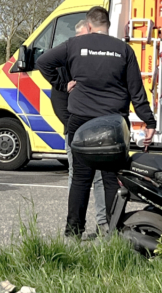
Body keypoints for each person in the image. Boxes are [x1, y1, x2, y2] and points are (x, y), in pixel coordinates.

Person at [37, 6, 156, 238]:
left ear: (89, 25)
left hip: (80, 122)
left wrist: (63, 84)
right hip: (113, 124)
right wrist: (148, 122)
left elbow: (43, 62)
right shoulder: (123, 50)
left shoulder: (73, 45)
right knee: (112, 180)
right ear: (108, 26)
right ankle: (111, 233)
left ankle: (73, 233)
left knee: (81, 180)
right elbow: (136, 91)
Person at [48, 19, 108, 235]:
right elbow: (57, 101)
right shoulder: (66, 65)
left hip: (101, 131)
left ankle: (104, 224)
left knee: (101, 177)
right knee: (79, 178)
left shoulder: (99, 64)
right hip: (77, 132)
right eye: (80, 38)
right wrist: (72, 126)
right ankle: (75, 228)